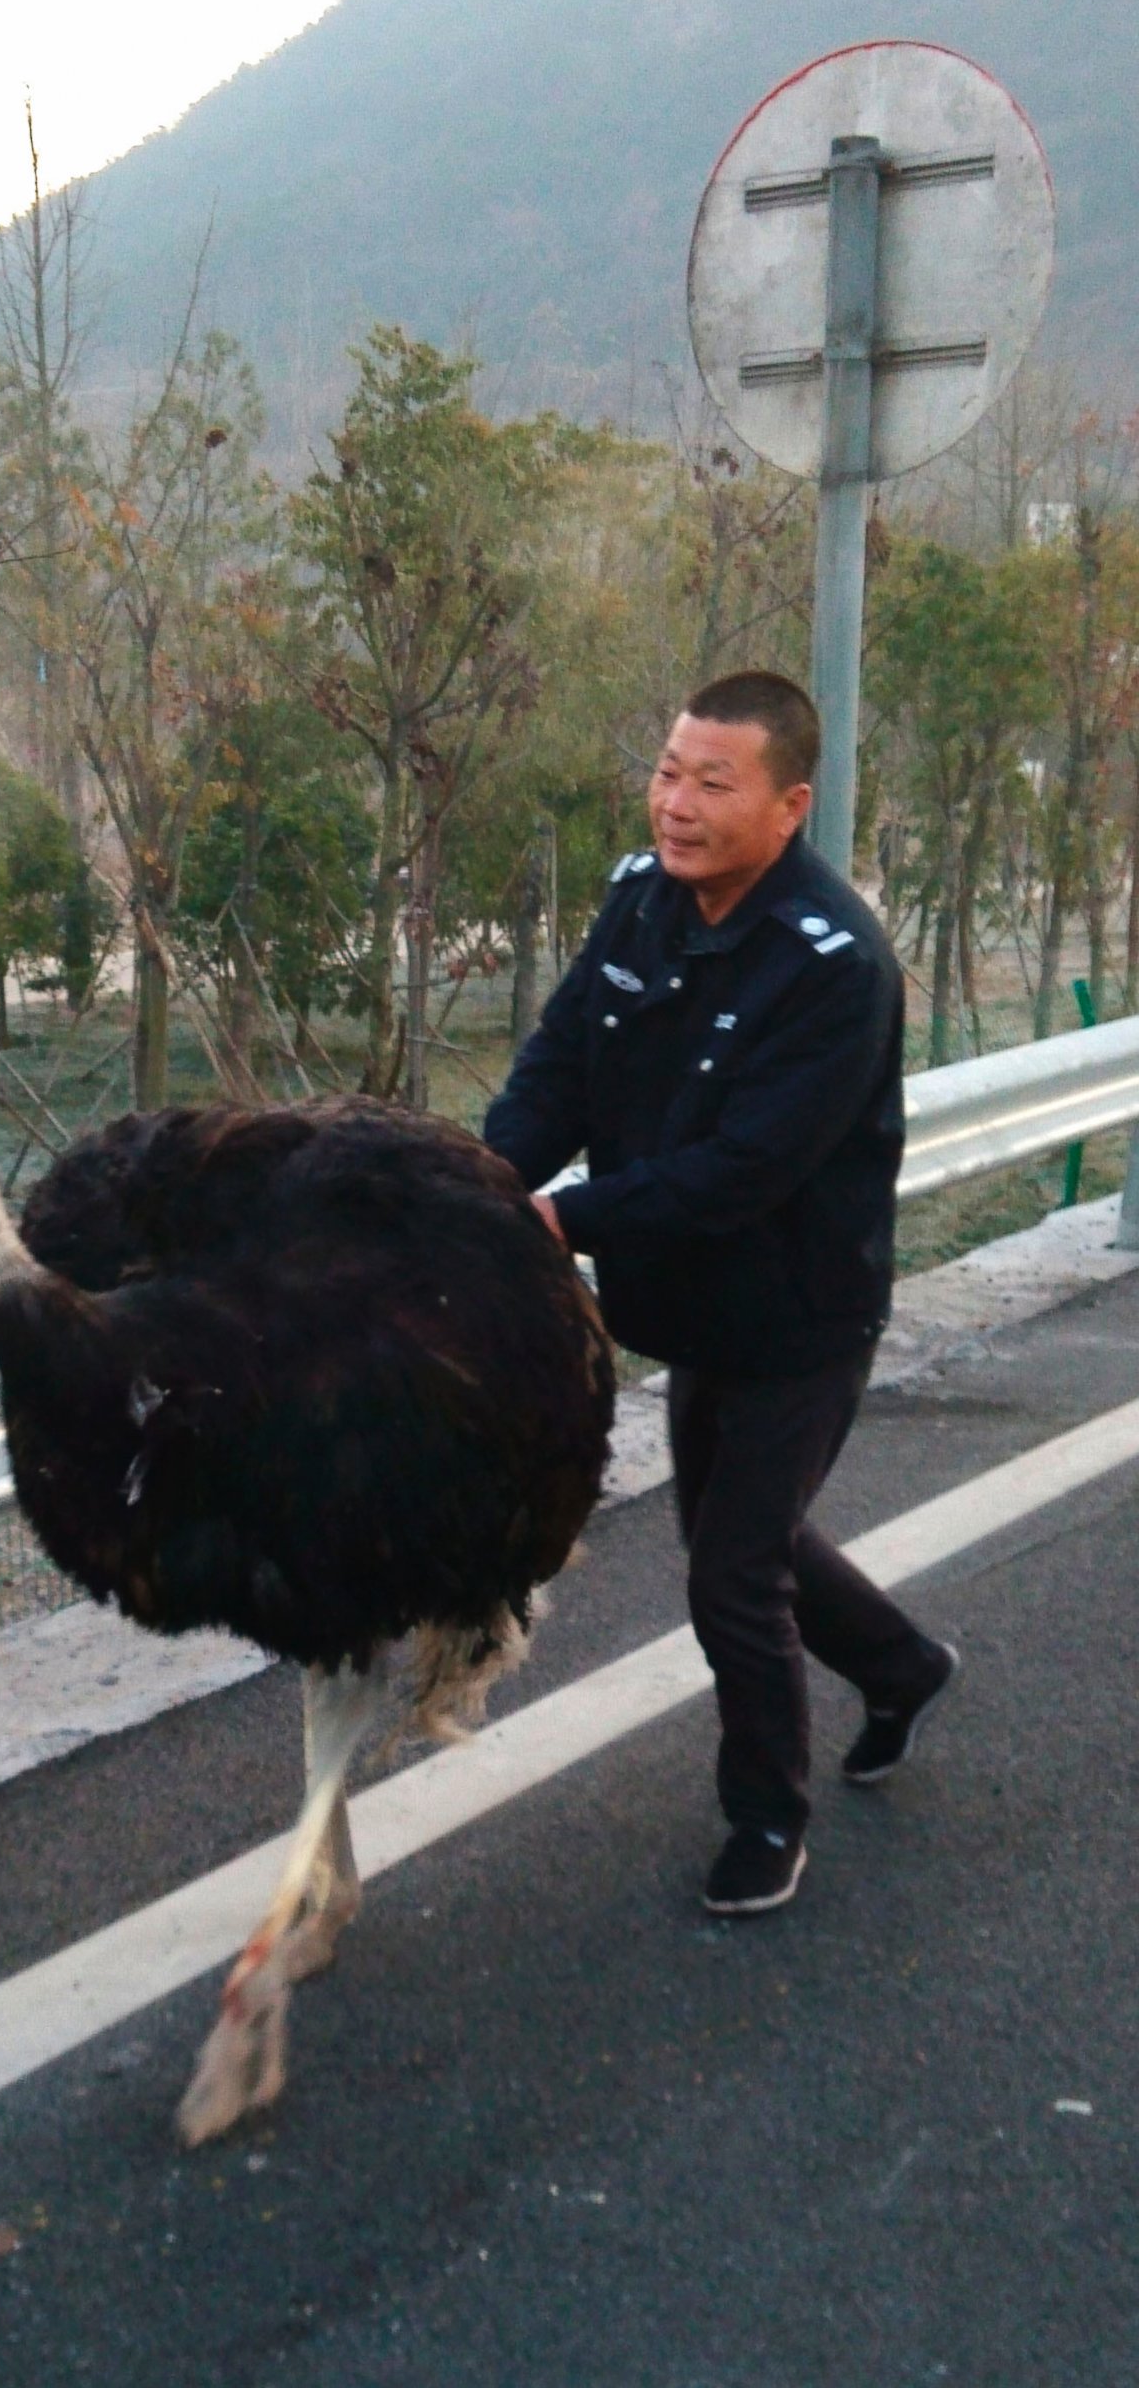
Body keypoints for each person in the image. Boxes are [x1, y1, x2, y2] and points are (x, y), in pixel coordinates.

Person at [484, 670, 957, 1916]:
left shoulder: (834, 962)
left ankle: (766, 1819)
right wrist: (480, 1180)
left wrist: (556, 1219)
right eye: (667, 772)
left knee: (730, 1573)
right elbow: (563, 1063)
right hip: (687, 1300)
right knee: (742, 1537)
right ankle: (901, 1664)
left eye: (712, 782)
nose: (676, 804)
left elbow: (745, 1171)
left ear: (788, 804)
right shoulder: (640, 901)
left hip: (799, 1312)